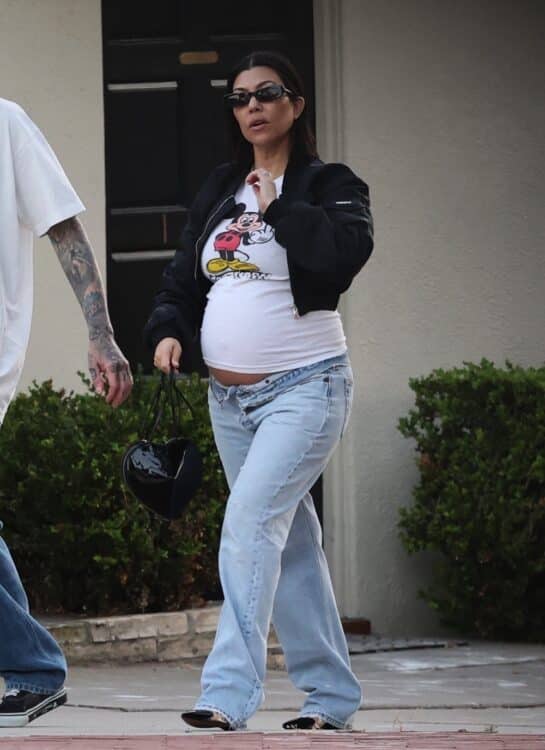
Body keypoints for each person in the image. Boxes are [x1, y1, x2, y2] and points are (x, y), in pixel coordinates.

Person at [145, 50, 373, 731]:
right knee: (291, 543)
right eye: (240, 96)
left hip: (306, 389)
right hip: (230, 403)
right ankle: (331, 698)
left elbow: (341, 259)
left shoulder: (330, 183)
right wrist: (169, 328)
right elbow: (184, 279)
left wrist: (282, 212)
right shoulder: (222, 185)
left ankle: (226, 695)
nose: (252, 105)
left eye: (267, 93)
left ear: (295, 104)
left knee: (248, 526)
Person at [0, 97, 133, 727]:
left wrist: (101, 333)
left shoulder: (3, 121)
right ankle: (29, 669)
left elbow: (63, 226)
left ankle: (33, 666)